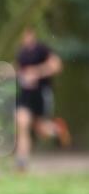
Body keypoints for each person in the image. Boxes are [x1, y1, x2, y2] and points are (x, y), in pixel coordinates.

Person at [15, 25, 70, 171]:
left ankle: (58, 129)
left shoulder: (42, 49)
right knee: (22, 123)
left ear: (32, 34)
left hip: (40, 93)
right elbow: (22, 73)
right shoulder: (21, 53)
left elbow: (57, 66)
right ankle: (22, 163)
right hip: (25, 95)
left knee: (41, 129)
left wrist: (37, 72)